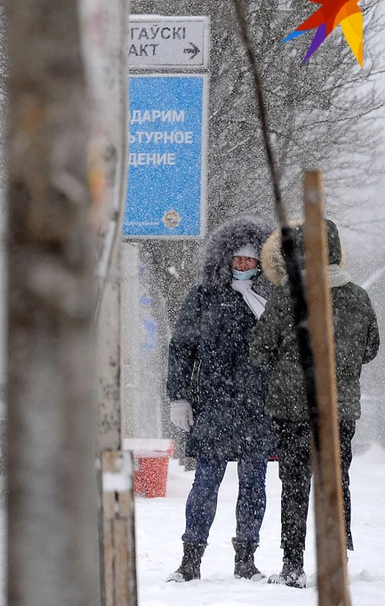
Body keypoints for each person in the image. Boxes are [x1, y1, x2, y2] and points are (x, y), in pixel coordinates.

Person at [250, 219, 379, 588]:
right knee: (335, 480)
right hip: (339, 408)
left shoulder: (288, 295)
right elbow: (370, 348)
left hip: (293, 408)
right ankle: (336, 557)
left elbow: (260, 350)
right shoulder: (357, 296)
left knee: (294, 485)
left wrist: (287, 365)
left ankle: (293, 564)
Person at [165, 216, 275, 582]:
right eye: (238, 259)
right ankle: (190, 559)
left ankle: (246, 558)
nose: (244, 265)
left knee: (254, 486)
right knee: (205, 485)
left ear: (262, 263)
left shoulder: (270, 299)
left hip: (258, 406)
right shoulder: (203, 296)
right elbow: (182, 348)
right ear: (225, 258)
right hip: (213, 405)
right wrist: (179, 397)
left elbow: (288, 350)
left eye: (251, 260)